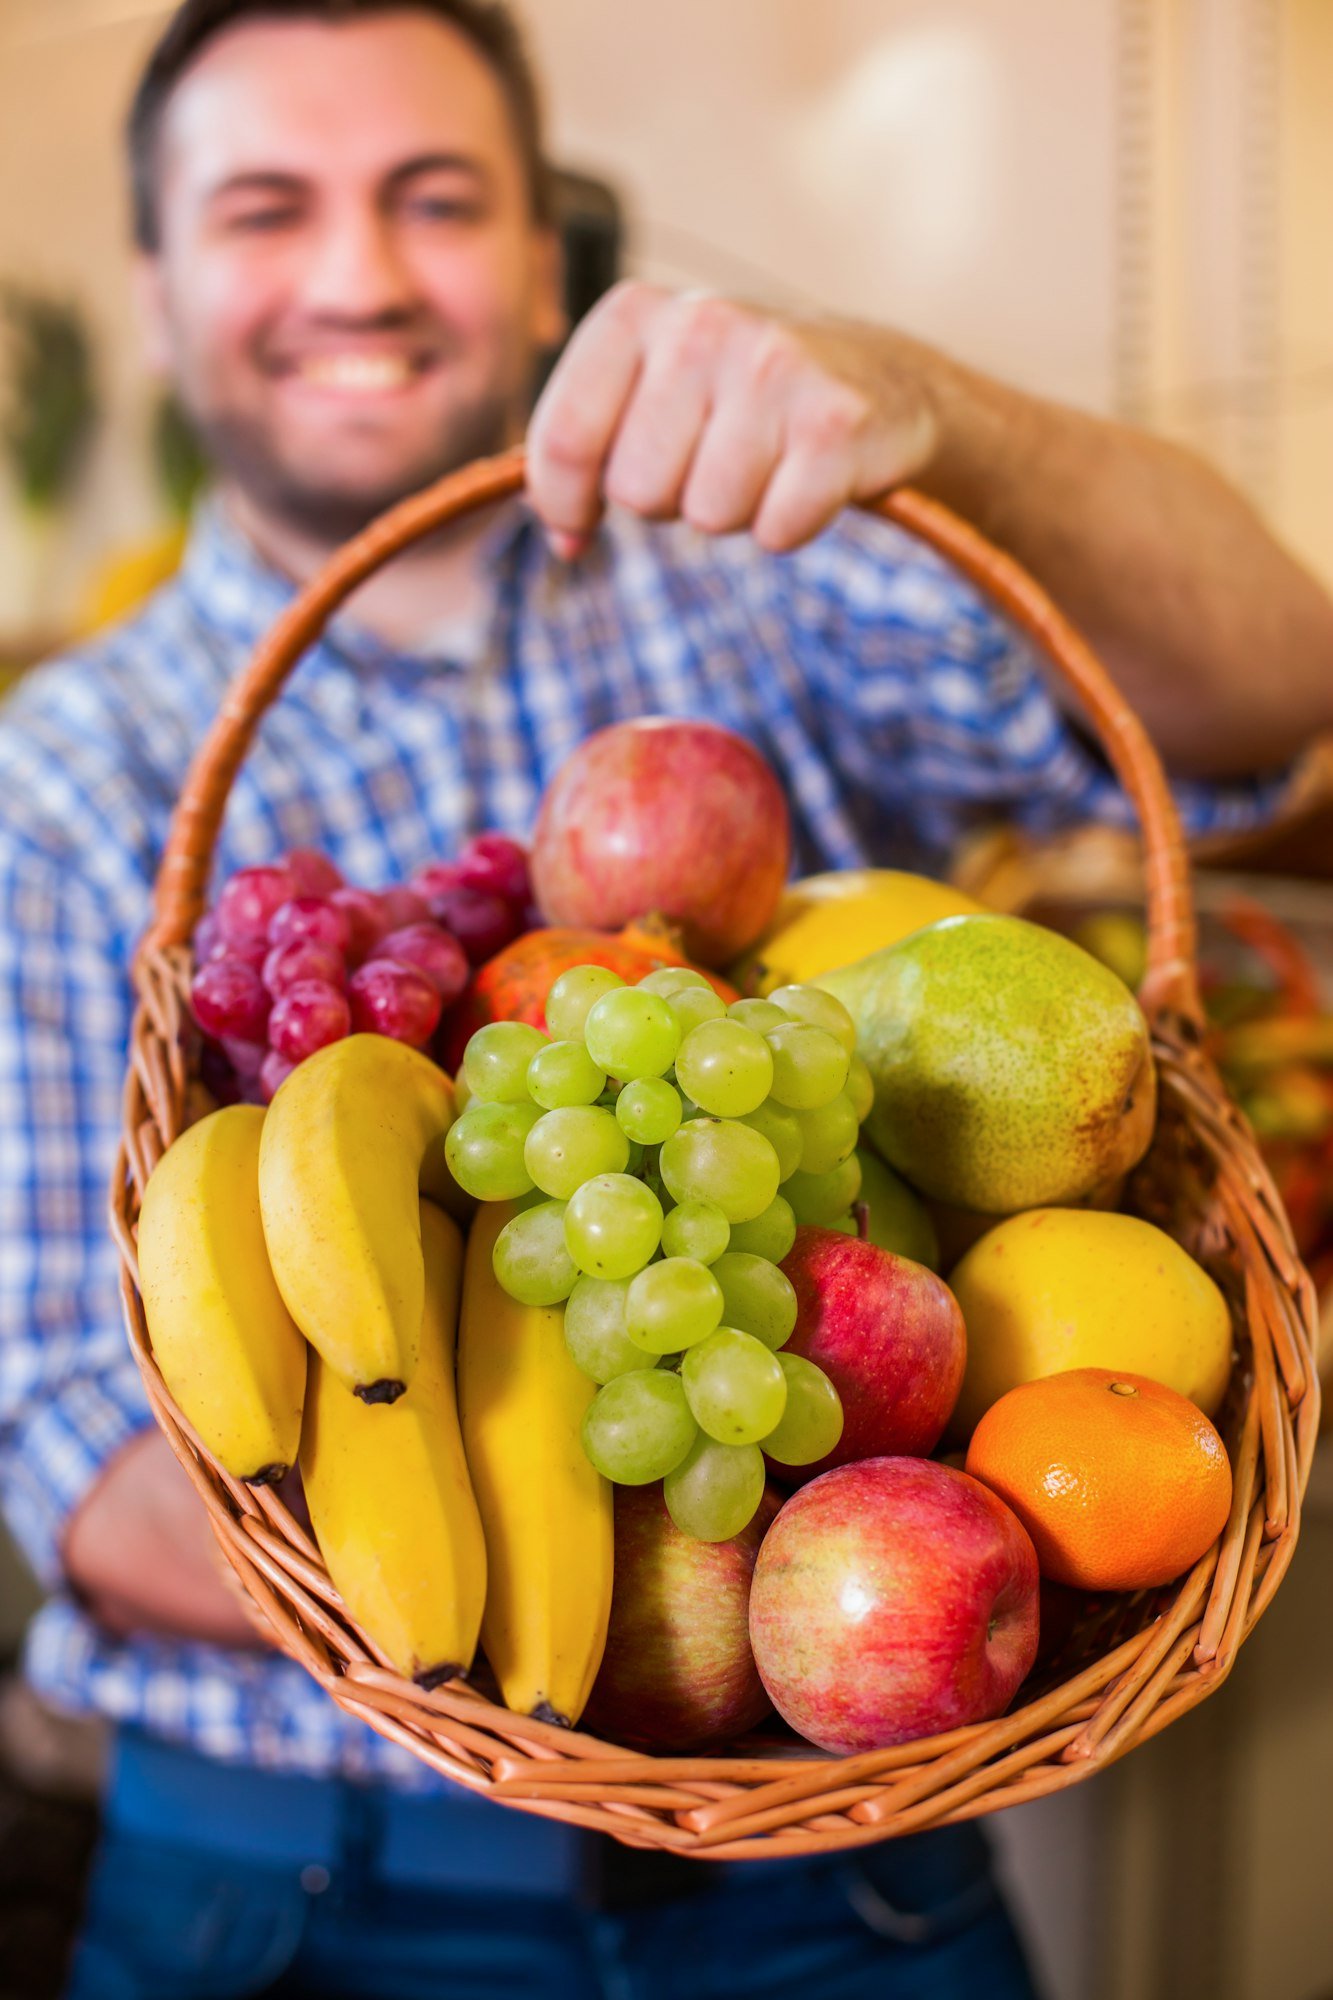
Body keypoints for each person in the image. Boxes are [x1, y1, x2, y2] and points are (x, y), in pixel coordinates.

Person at [1, 4, 1330, 1997]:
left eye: (433, 200)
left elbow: (1271, 688)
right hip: (292, 1888)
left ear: (546, 257)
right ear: (163, 287)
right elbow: (77, 1464)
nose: (359, 273)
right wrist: (589, 1613)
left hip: (846, 1880)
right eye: (269, 208)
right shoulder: (66, 778)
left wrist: (928, 409)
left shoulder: (759, 581)